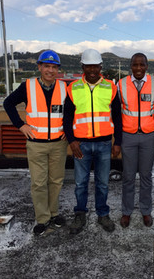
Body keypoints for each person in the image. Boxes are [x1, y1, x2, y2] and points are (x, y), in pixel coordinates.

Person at [3, 50, 68, 236]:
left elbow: (73, 111)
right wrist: (20, 125)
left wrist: (67, 130)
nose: (50, 70)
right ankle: (42, 219)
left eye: (54, 67)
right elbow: (8, 103)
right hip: (36, 143)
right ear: (39, 67)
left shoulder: (64, 88)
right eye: (46, 66)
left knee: (56, 181)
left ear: (58, 70)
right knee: (39, 183)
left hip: (58, 144)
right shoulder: (28, 86)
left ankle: (54, 214)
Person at [63, 48, 121, 234]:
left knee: (103, 182)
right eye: (88, 66)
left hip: (104, 144)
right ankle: (80, 214)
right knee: (80, 183)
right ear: (83, 67)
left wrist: (117, 141)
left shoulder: (111, 87)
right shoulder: (73, 88)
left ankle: (103, 214)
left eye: (95, 66)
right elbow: (67, 118)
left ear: (100, 66)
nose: (92, 70)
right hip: (81, 145)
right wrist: (71, 141)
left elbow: (118, 117)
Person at [117, 53, 154, 228]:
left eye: (142, 65)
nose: (139, 68)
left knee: (146, 176)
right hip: (128, 136)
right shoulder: (121, 84)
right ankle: (126, 211)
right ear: (131, 66)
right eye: (135, 65)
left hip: (149, 136)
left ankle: (145, 210)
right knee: (127, 176)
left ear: (147, 66)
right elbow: (116, 112)